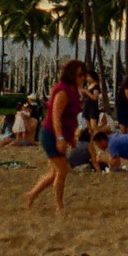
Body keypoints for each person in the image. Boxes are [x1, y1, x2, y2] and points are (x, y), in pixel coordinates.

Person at [26, 58, 84, 214]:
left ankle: (31, 195)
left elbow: (70, 117)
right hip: (51, 134)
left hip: (61, 135)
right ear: (71, 75)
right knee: (62, 170)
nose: (82, 78)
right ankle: (59, 205)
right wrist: (59, 138)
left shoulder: (73, 91)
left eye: (83, 75)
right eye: (80, 74)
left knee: (54, 172)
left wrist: (70, 137)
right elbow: (55, 116)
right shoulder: (63, 91)